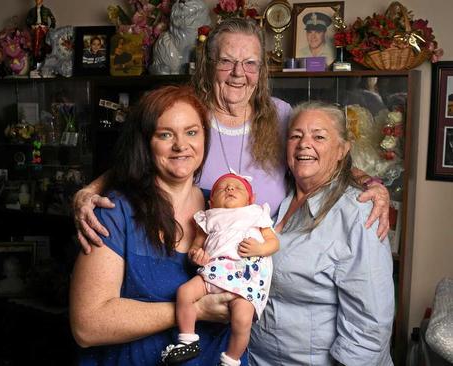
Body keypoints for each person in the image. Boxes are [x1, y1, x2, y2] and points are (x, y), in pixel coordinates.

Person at [73, 17, 389, 253]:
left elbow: (325, 160)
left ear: (261, 70)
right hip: (186, 264)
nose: (239, 73)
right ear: (209, 66)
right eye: (227, 61)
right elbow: (139, 160)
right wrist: (89, 190)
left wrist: (373, 185)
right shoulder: (187, 114)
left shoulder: (281, 115)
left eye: (250, 63)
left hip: (260, 277)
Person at [69, 85, 243, 365]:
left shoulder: (223, 209)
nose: (181, 146)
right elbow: (87, 325)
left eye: (192, 132)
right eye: (165, 134)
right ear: (146, 143)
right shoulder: (114, 212)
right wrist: (194, 310)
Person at [248, 101, 395, 365]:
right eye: (296, 135)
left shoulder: (358, 213)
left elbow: (369, 329)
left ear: (342, 150)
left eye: (319, 136)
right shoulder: (278, 197)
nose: (305, 144)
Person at [161, 173, 278, 365]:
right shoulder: (208, 218)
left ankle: (231, 359)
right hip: (215, 271)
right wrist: (195, 256)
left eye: (237, 188)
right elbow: (196, 246)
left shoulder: (255, 213)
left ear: (251, 199)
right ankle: (188, 341)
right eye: (222, 188)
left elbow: (274, 243)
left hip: (245, 277)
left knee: (242, 318)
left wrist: (260, 248)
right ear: (211, 202)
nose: (230, 189)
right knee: (184, 292)